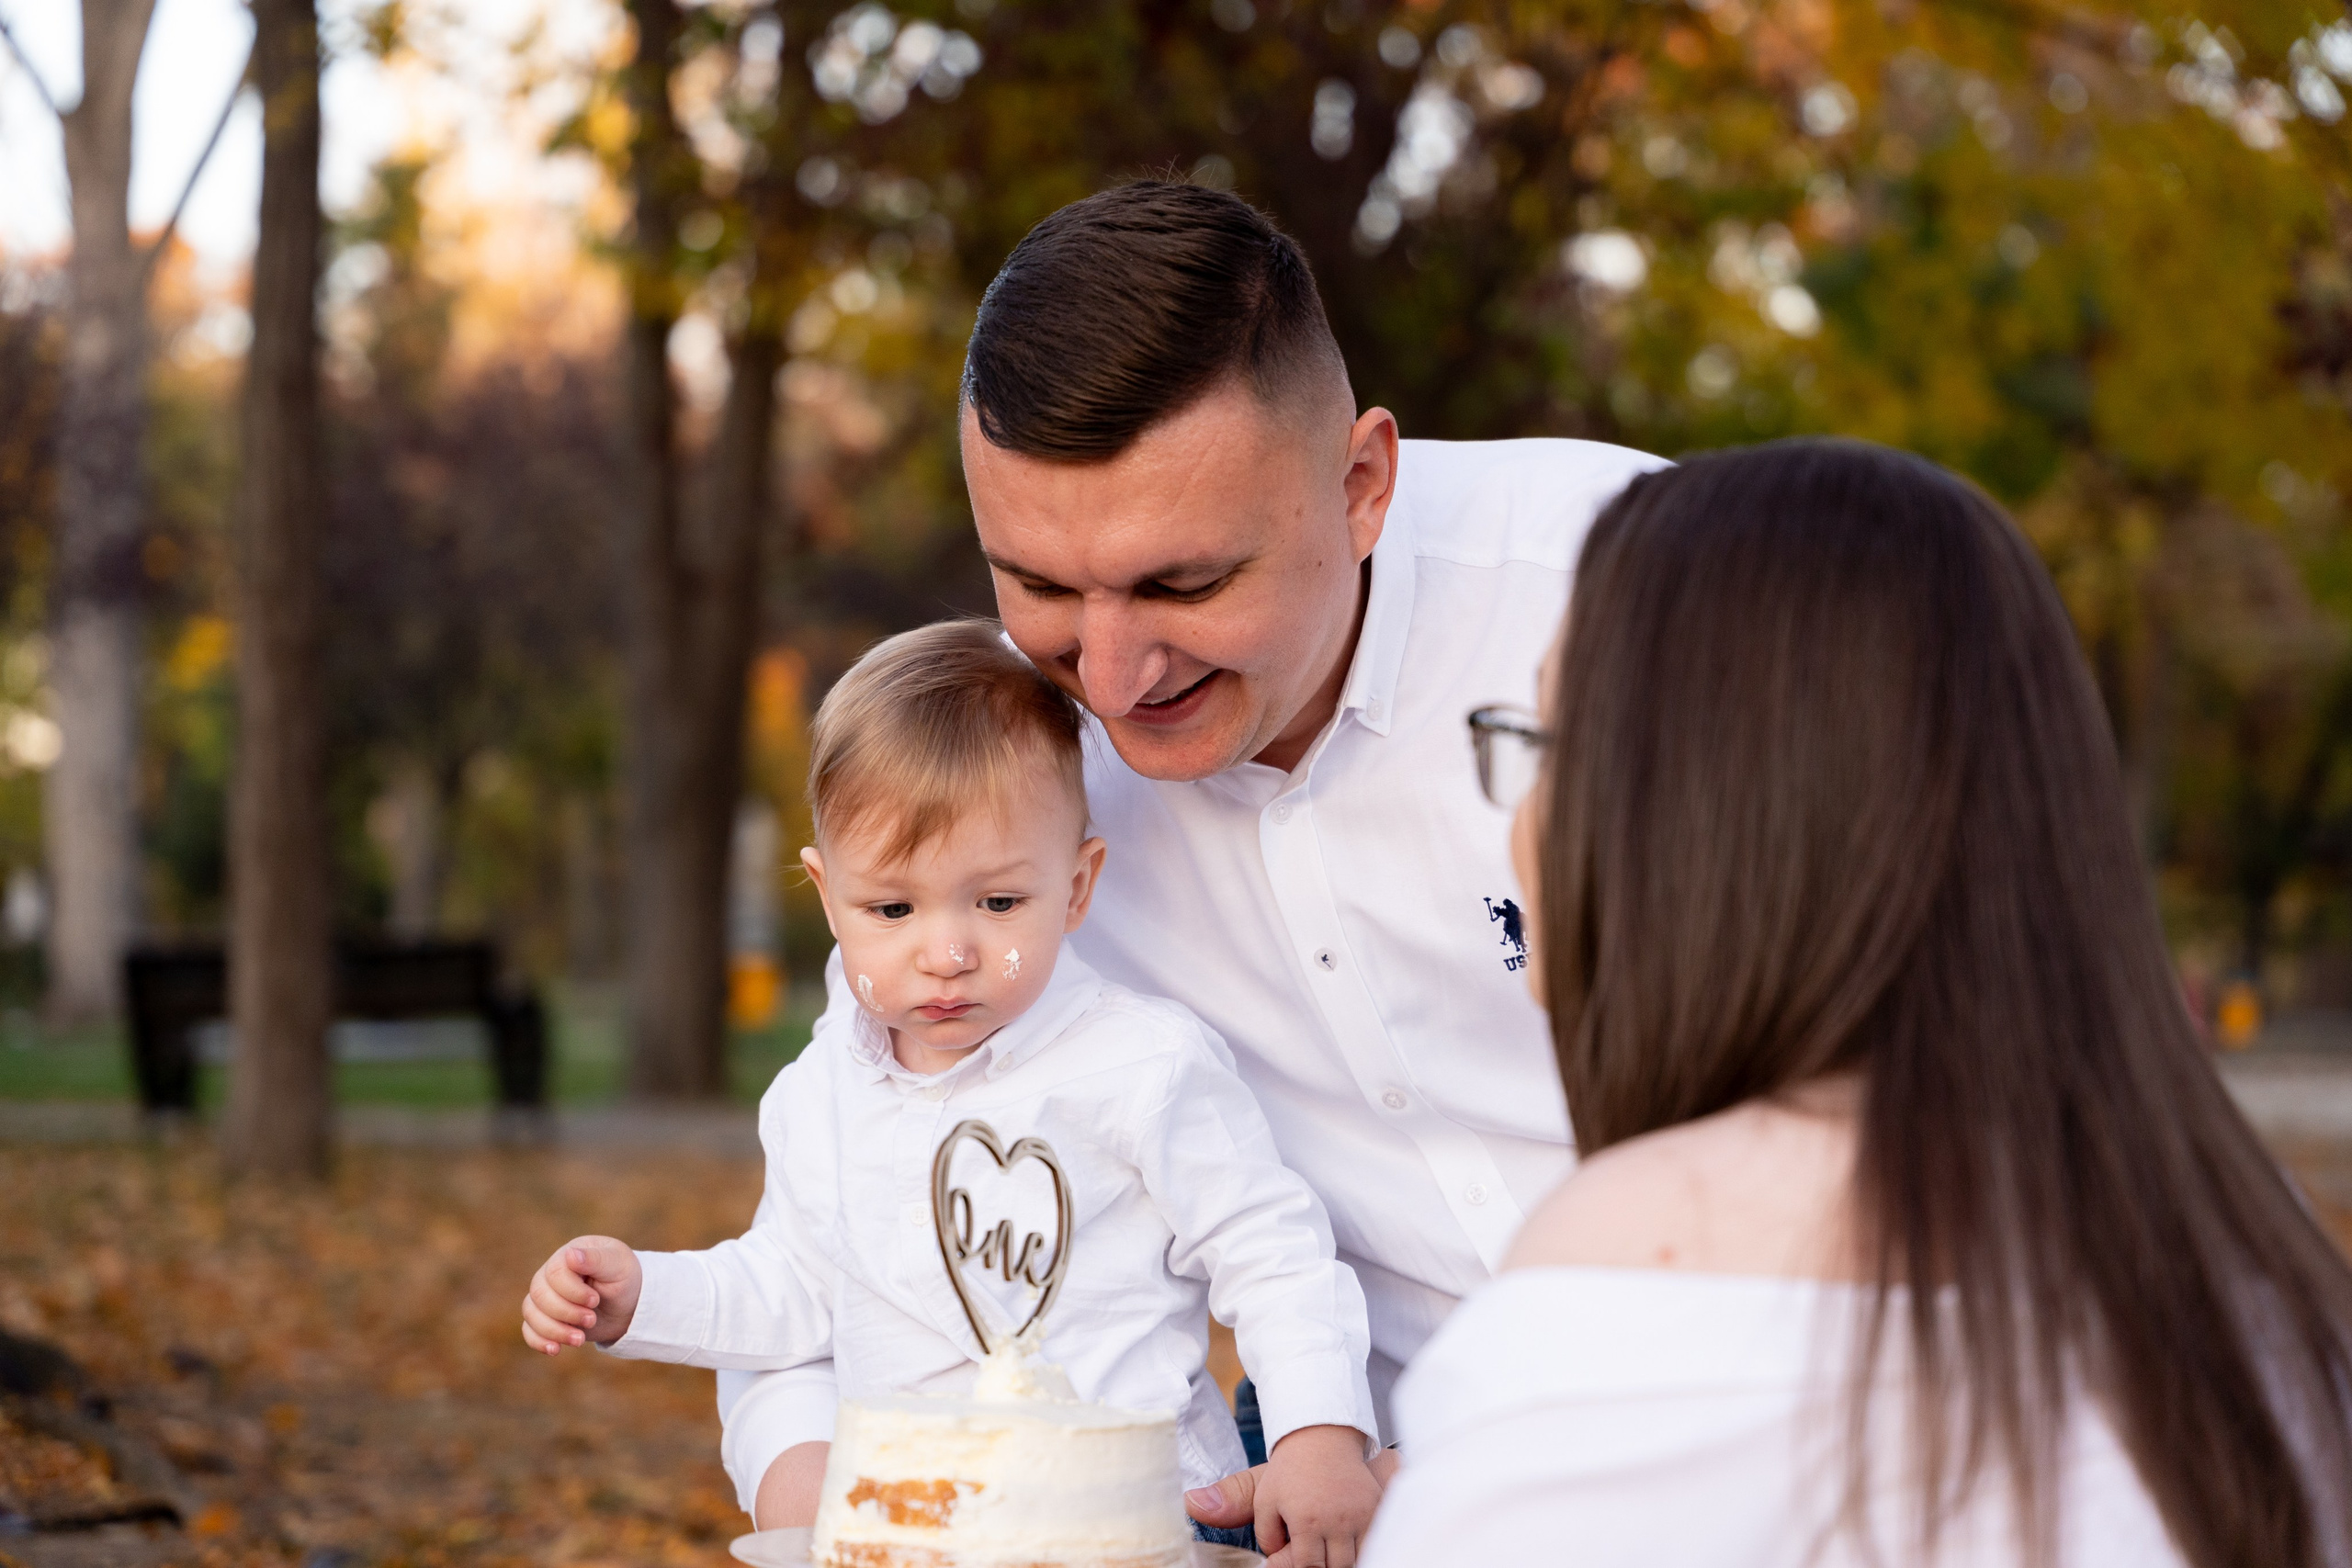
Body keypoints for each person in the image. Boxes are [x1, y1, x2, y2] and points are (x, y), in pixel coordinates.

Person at [718, 180, 1668, 1547]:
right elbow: (835, 1217)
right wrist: (804, 1478)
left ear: (1361, 484)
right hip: (1329, 1495)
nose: (1108, 676)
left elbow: (1932, 1115)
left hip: (1777, 1420)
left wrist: (1530, 1475)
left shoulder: (1630, 595)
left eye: (1181, 585)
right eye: (1040, 586)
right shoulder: (999, 797)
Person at [1361, 440, 2352, 1565]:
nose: (1523, 822)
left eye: (1543, 746)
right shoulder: (2257, 1269)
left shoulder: (1617, 1286)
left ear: (1689, 813)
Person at [520, 621, 1383, 1560]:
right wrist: (642, 1295)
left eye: (999, 903)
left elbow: (1270, 1250)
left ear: (1077, 886)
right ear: (827, 896)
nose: (947, 953)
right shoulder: (823, 1096)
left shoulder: (1141, 1065)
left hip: (1136, 1527)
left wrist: (1316, 1435)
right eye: (891, 910)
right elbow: (796, 1290)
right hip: (917, 1530)